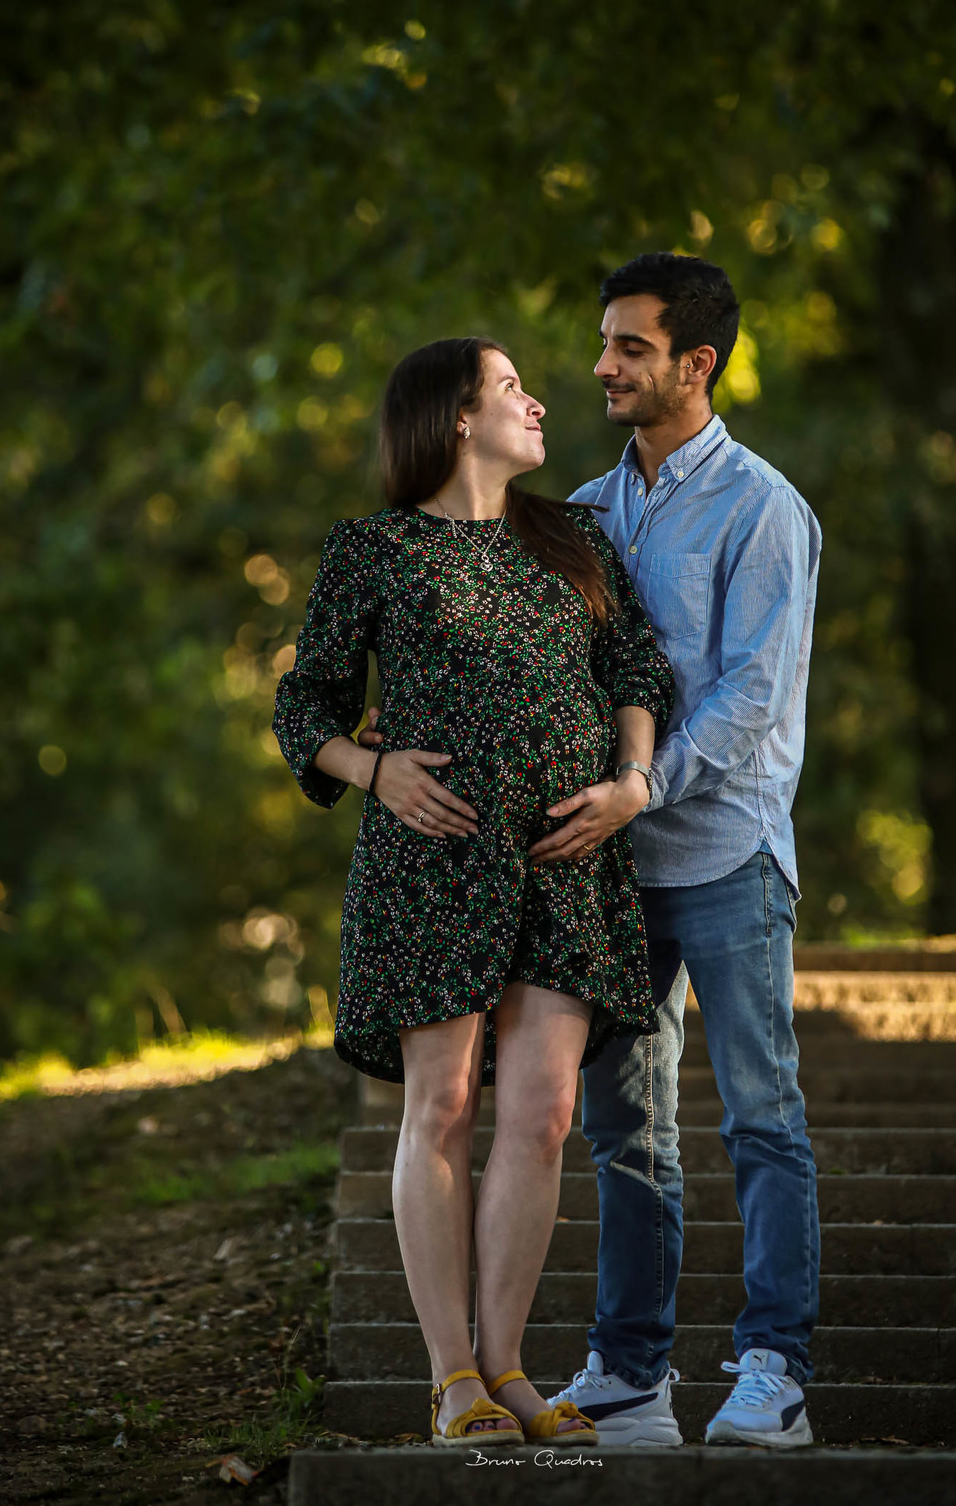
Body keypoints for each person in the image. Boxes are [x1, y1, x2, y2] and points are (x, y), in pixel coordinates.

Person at [272, 337, 674, 1450]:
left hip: (567, 862)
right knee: (442, 1106)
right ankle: (451, 1377)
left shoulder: (573, 538)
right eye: (510, 388)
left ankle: (507, 1369)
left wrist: (630, 783)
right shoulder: (373, 550)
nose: (538, 402)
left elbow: (635, 671)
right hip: (432, 862)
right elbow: (304, 706)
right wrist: (373, 771)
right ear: (455, 416)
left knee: (542, 1117)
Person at [548, 252, 822, 1449]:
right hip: (613, 870)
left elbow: (752, 697)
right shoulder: (584, 514)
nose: (602, 366)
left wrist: (643, 785)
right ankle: (631, 1378)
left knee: (761, 1115)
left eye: (631, 347)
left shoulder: (764, 507)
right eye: (605, 342)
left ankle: (775, 1370)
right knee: (625, 1128)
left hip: (726, 854)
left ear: (696, 363)